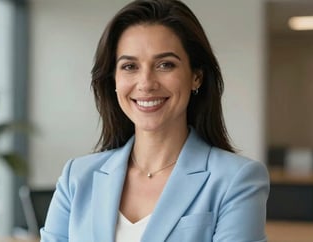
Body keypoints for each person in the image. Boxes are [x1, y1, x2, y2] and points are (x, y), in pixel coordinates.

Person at [40, 0, 270, 241]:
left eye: (165, 65)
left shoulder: (236, 179)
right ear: (113, 81)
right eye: (130, 66)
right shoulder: (76, 177)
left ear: (196, 77)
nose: (146, 83)